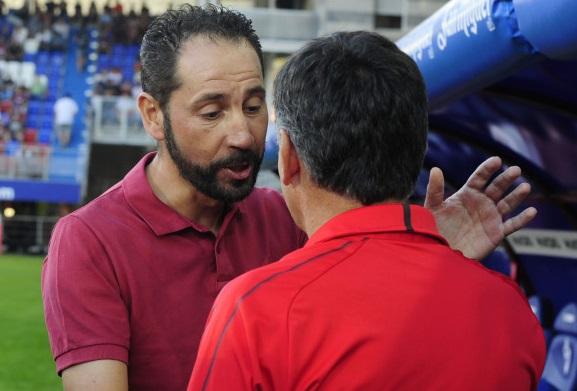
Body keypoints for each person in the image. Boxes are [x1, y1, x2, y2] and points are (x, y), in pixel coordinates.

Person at [42, 5, 536, 391]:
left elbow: (371, 318)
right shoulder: (89, 240)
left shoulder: (286, 215)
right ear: (152, 115)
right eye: (212, 112)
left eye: (254, 106)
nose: (242, 133)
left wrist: (425, 257)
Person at [188, 32, 545, 390]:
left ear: (289, 157)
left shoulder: (256, 311)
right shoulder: (508, 309)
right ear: (414, 149)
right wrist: (438, 260)